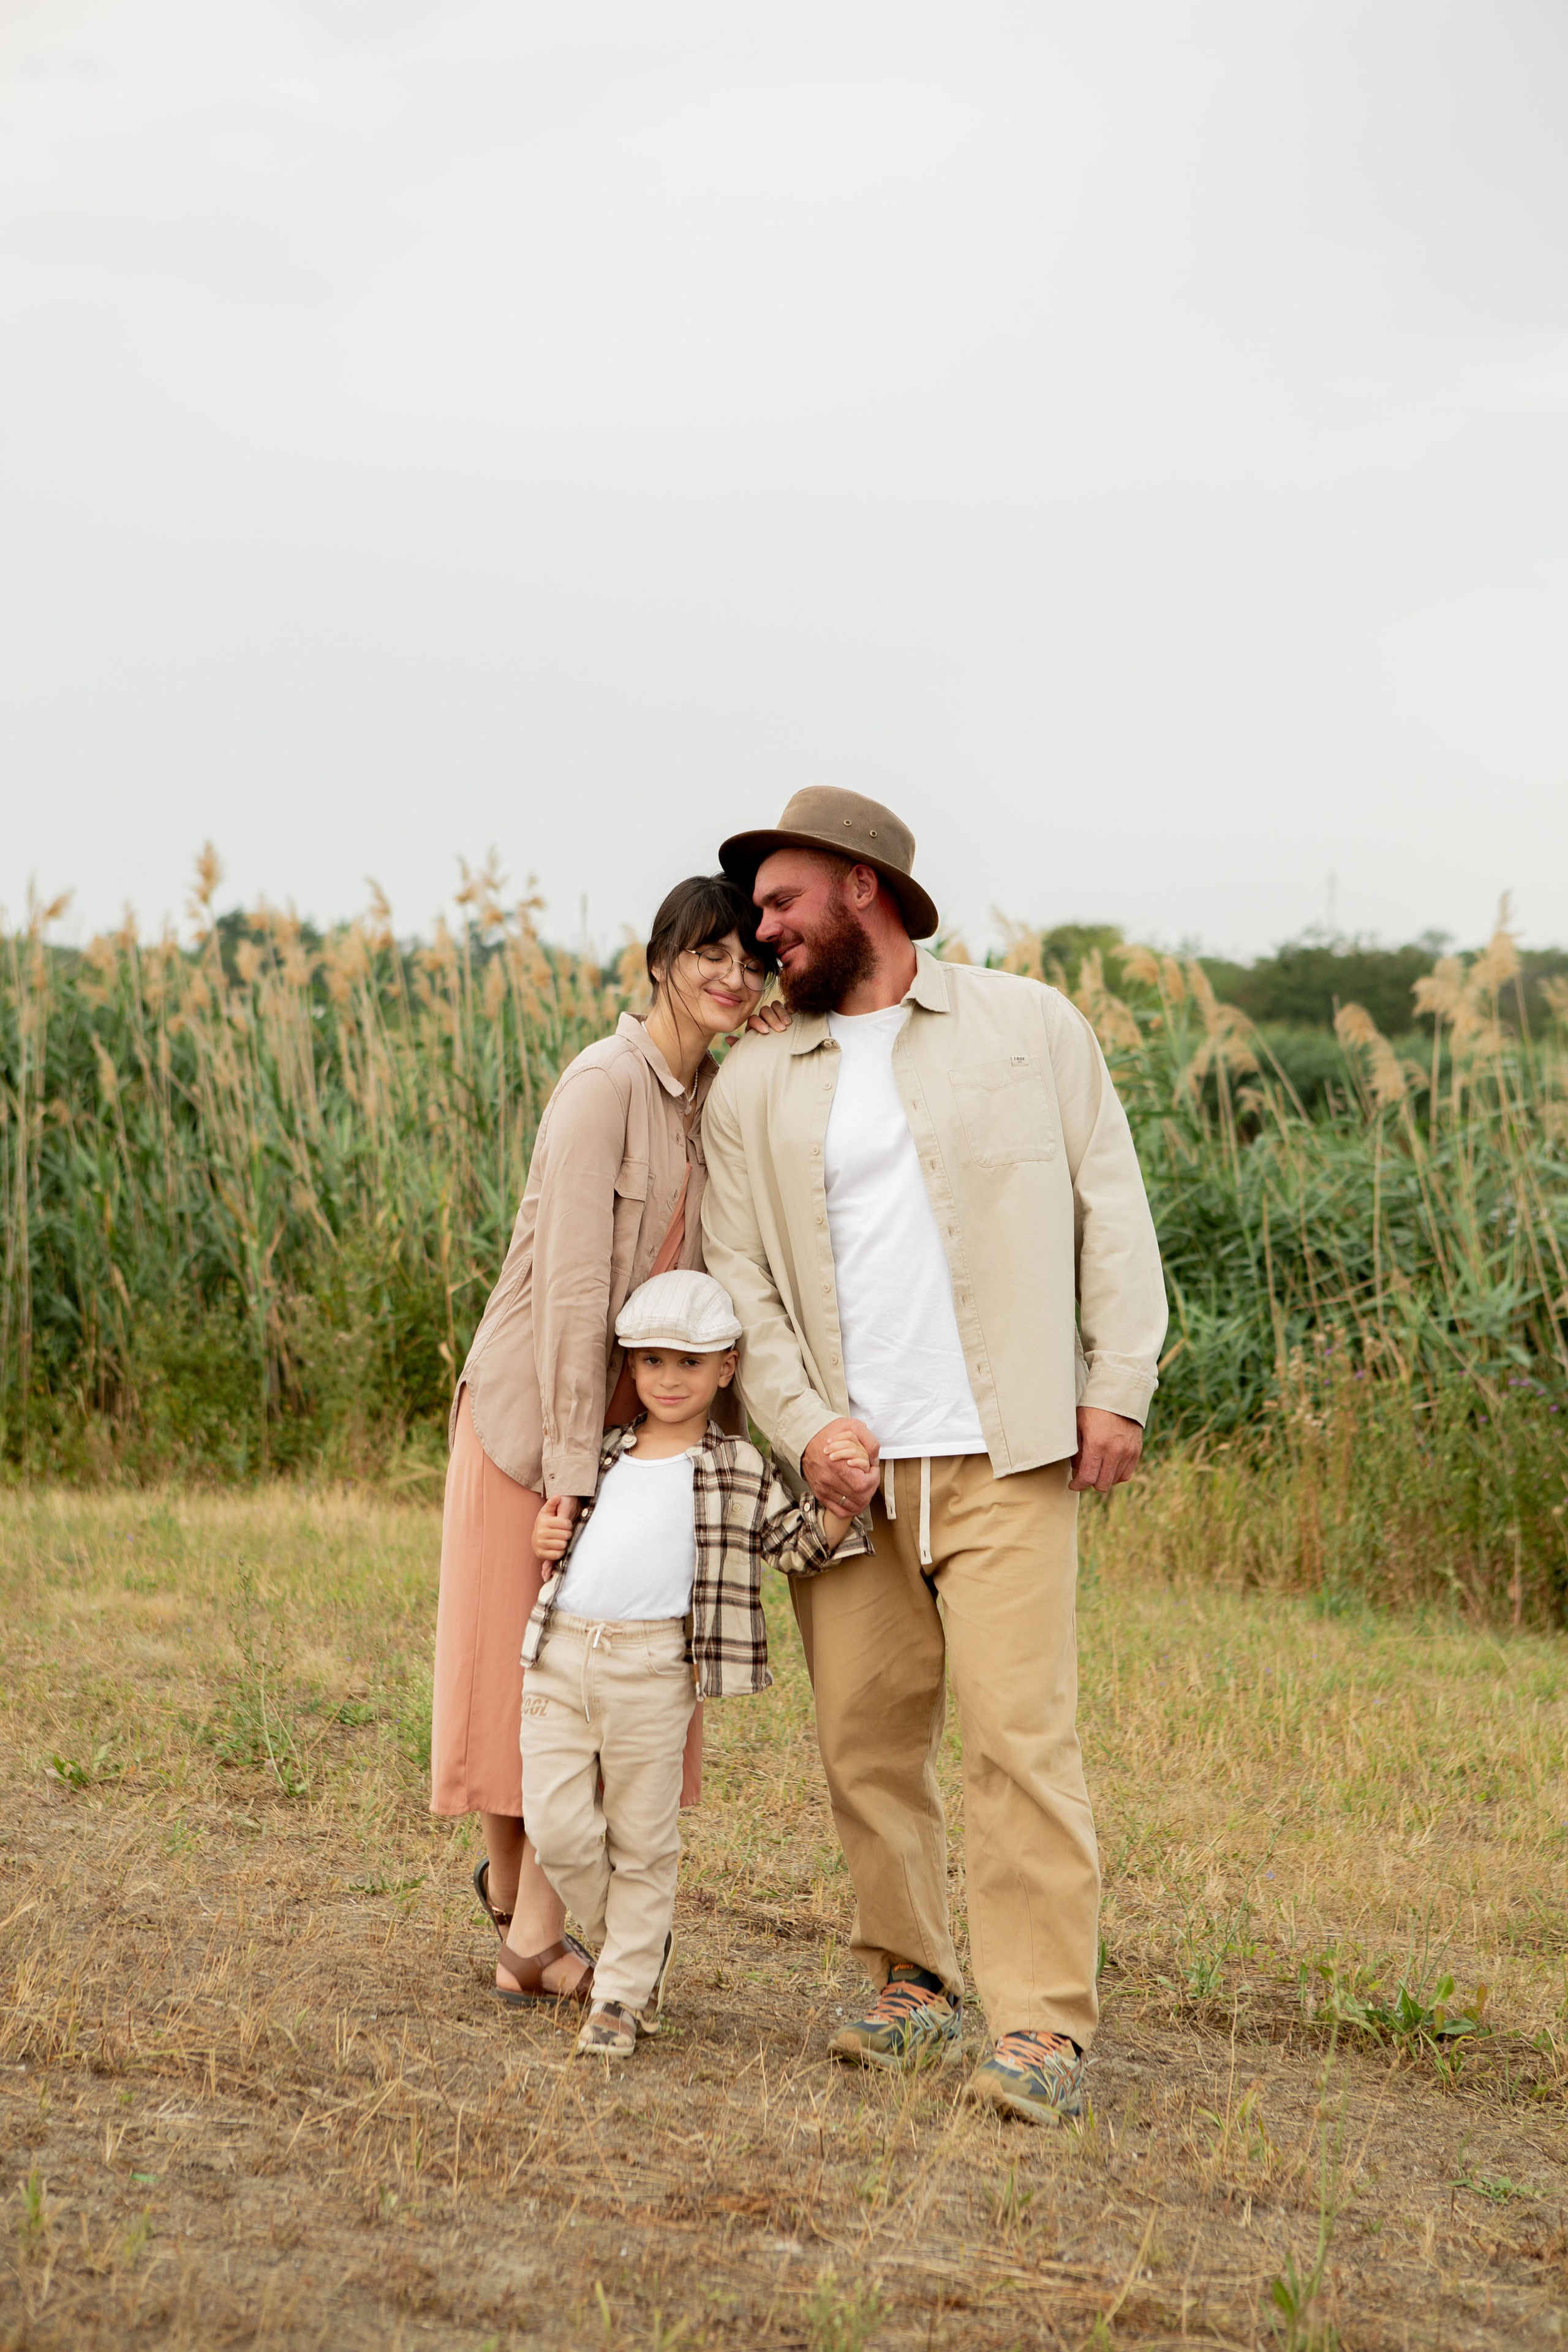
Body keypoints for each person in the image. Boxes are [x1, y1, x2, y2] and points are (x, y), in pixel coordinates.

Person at [700, 788, 1168, 2125]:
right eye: (753, 912)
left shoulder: (1028, 1028)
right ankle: (912, 1985)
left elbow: (1108, 1205)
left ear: (861, 886)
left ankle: (1039, 2031)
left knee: (1020, 1741)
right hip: (843, 1475)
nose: (762, 930)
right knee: (863, 1743)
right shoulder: (755, 1088)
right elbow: (740, 1279)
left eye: (781, 901)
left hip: (1004, 1448)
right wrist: (808, 1431)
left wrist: (1114, 1384)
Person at [429, 876, 781, 2009]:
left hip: (634, 1432)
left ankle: (526, 1918)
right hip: (535, 1423)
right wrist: (571, 1480)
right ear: (661, 961)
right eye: (711, 955)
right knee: (523, 1672)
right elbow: (578, 1301)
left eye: (752, 961)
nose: (734, 976)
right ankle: (524, 1928)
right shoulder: (603, 1088)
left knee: (600, 1670)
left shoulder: (700, 1095)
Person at [521, 1268, 870, 2057]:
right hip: (560, 1650)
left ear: (726, 1368)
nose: (668, 1379)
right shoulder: (602, 1456)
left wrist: (843, 1504)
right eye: (650, 1362)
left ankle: (617, 1996)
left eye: (689, 1363)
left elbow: (795, 1548)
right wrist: (547, 1540)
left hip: (652, 1667)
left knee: (642, 1837)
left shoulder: (739, 1466)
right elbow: (567, 1541)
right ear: (631, 1368)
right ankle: (633, 1950)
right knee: (558, 1829)